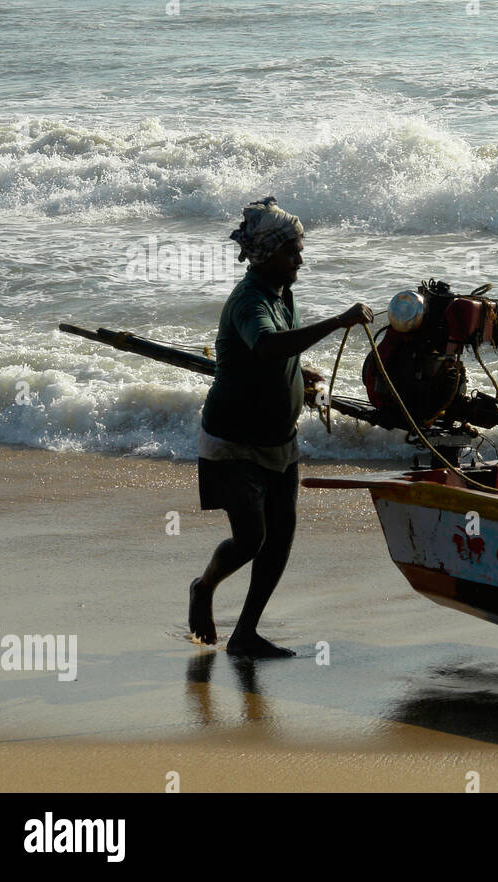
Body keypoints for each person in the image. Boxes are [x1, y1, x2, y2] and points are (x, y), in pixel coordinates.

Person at [189, 196, 373, 658]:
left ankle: (245, 633)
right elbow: (268, 345)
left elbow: (273, 356)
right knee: (251, 539)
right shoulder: (250, 300)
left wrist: (298, 373)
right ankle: (203, 586)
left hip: (280, 442)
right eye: (292, 252)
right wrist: (338, 322)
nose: (300, 260)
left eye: (299, 250)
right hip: (233, 442)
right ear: (268, 255)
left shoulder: (280, 292)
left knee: (280, 537)